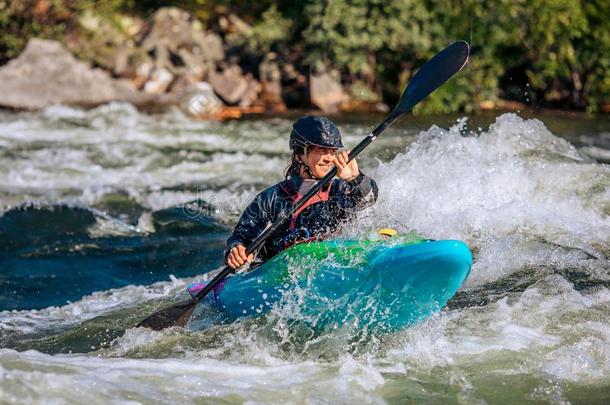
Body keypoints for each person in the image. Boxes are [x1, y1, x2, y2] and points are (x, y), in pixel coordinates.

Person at [225, 115, 378, 269]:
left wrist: (355, 179)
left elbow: (369, 198)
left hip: (336, 269)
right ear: (299, 154)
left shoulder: (341, 189)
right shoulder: (270, 199)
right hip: (283, 278)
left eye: (332, 151)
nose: (329, 158)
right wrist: (236, 251)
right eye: (321, 150)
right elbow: (241, 238)